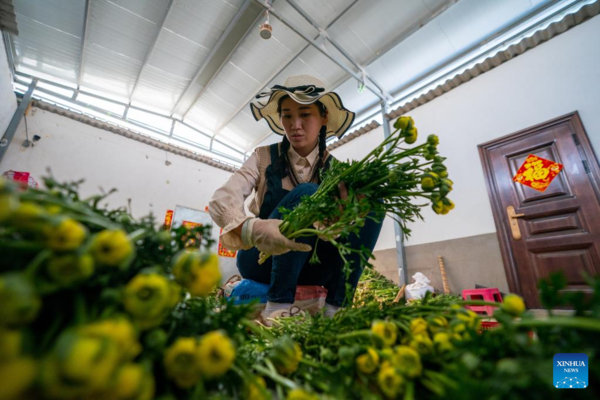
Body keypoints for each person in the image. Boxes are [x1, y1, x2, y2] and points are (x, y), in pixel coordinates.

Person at [209, 75, 383, 322]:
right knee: (306, 193)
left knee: (372, 203)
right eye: (287, 115)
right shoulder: (264, 157)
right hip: (261, 259)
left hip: (312, 264)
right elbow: (221, 200)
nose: (295, 124)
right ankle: (277, 305)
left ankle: (337, 307)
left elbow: (341, 232)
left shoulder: (337, 172)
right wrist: (253, 228)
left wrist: (347, 219)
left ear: (323, 118)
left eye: (305, 115)